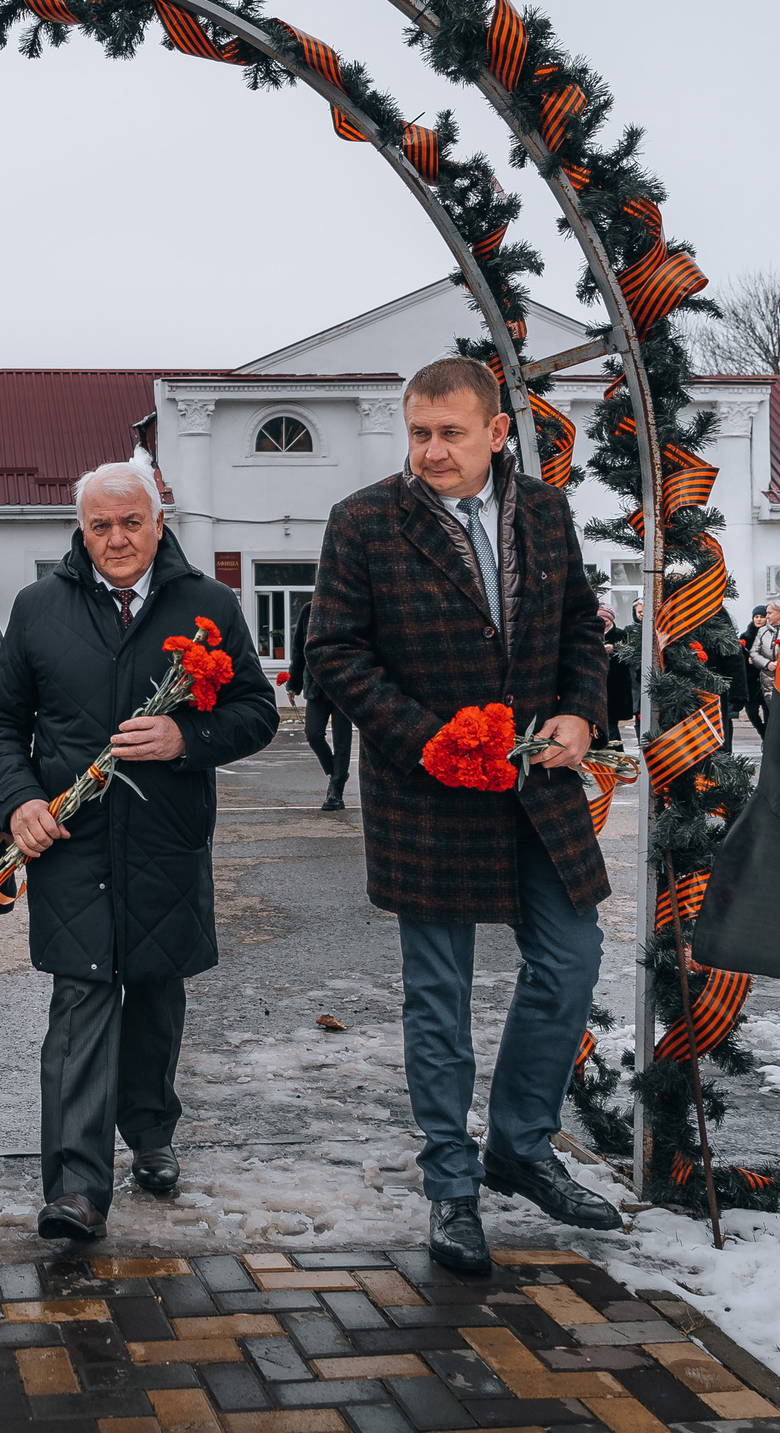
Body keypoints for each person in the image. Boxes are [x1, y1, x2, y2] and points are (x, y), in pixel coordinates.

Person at [303, 356, 618, 1276]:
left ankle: (520, 1143)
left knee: (571, 959)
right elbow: (334, 648)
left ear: (497, 433)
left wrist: (581, 712)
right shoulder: (364, 520)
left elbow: (582, 626)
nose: (431, 450)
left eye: (449, 432)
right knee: (438, 995)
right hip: (427, 793)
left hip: (537, 785)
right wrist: (428, 737)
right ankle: (450, 1183)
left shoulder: (546, 513)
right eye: (418, 432)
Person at [0, 462, 276, 1242]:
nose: (117, 539)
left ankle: (151, 1131)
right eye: (100, 525)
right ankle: (75, 1188)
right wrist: (21, 801)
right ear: (81, 529)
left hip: (165, 840)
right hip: (70, 843)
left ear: (158, 521)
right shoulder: (39, 607)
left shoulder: (207, 606)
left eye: (131, 522)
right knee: (80, 998)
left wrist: (188, 737)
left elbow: (256, 711)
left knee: (153, 991)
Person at [289, 601, 353, 810]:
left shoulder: (349, 609)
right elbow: (299, 649)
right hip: (316, 686)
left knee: (342, 740)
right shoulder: (309, 610)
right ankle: (337, 772)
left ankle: (335, 792)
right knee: (313, 734)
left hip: (343, 686)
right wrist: (294, 684)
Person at [598, 604, 636, 748]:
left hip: (616, 688)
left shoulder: (621, 635)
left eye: (605, 620)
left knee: (611, 723)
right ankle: (617, 755)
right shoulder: (592, 635)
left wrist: (615, 649)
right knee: (605, 725)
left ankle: (611, 756)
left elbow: (631, 657)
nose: (603, 623)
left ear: (611, 619)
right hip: (598, 687)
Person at [739, 604, 770, 732]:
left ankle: (767, 737)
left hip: (766, 677)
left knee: (767, 710)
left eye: (761, 617)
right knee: (751, 711)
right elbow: (740, 657)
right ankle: (762, 732)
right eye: (756, 617)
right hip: (750, 680)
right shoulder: (745, 637)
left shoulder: (771, 635)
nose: (758, 619)